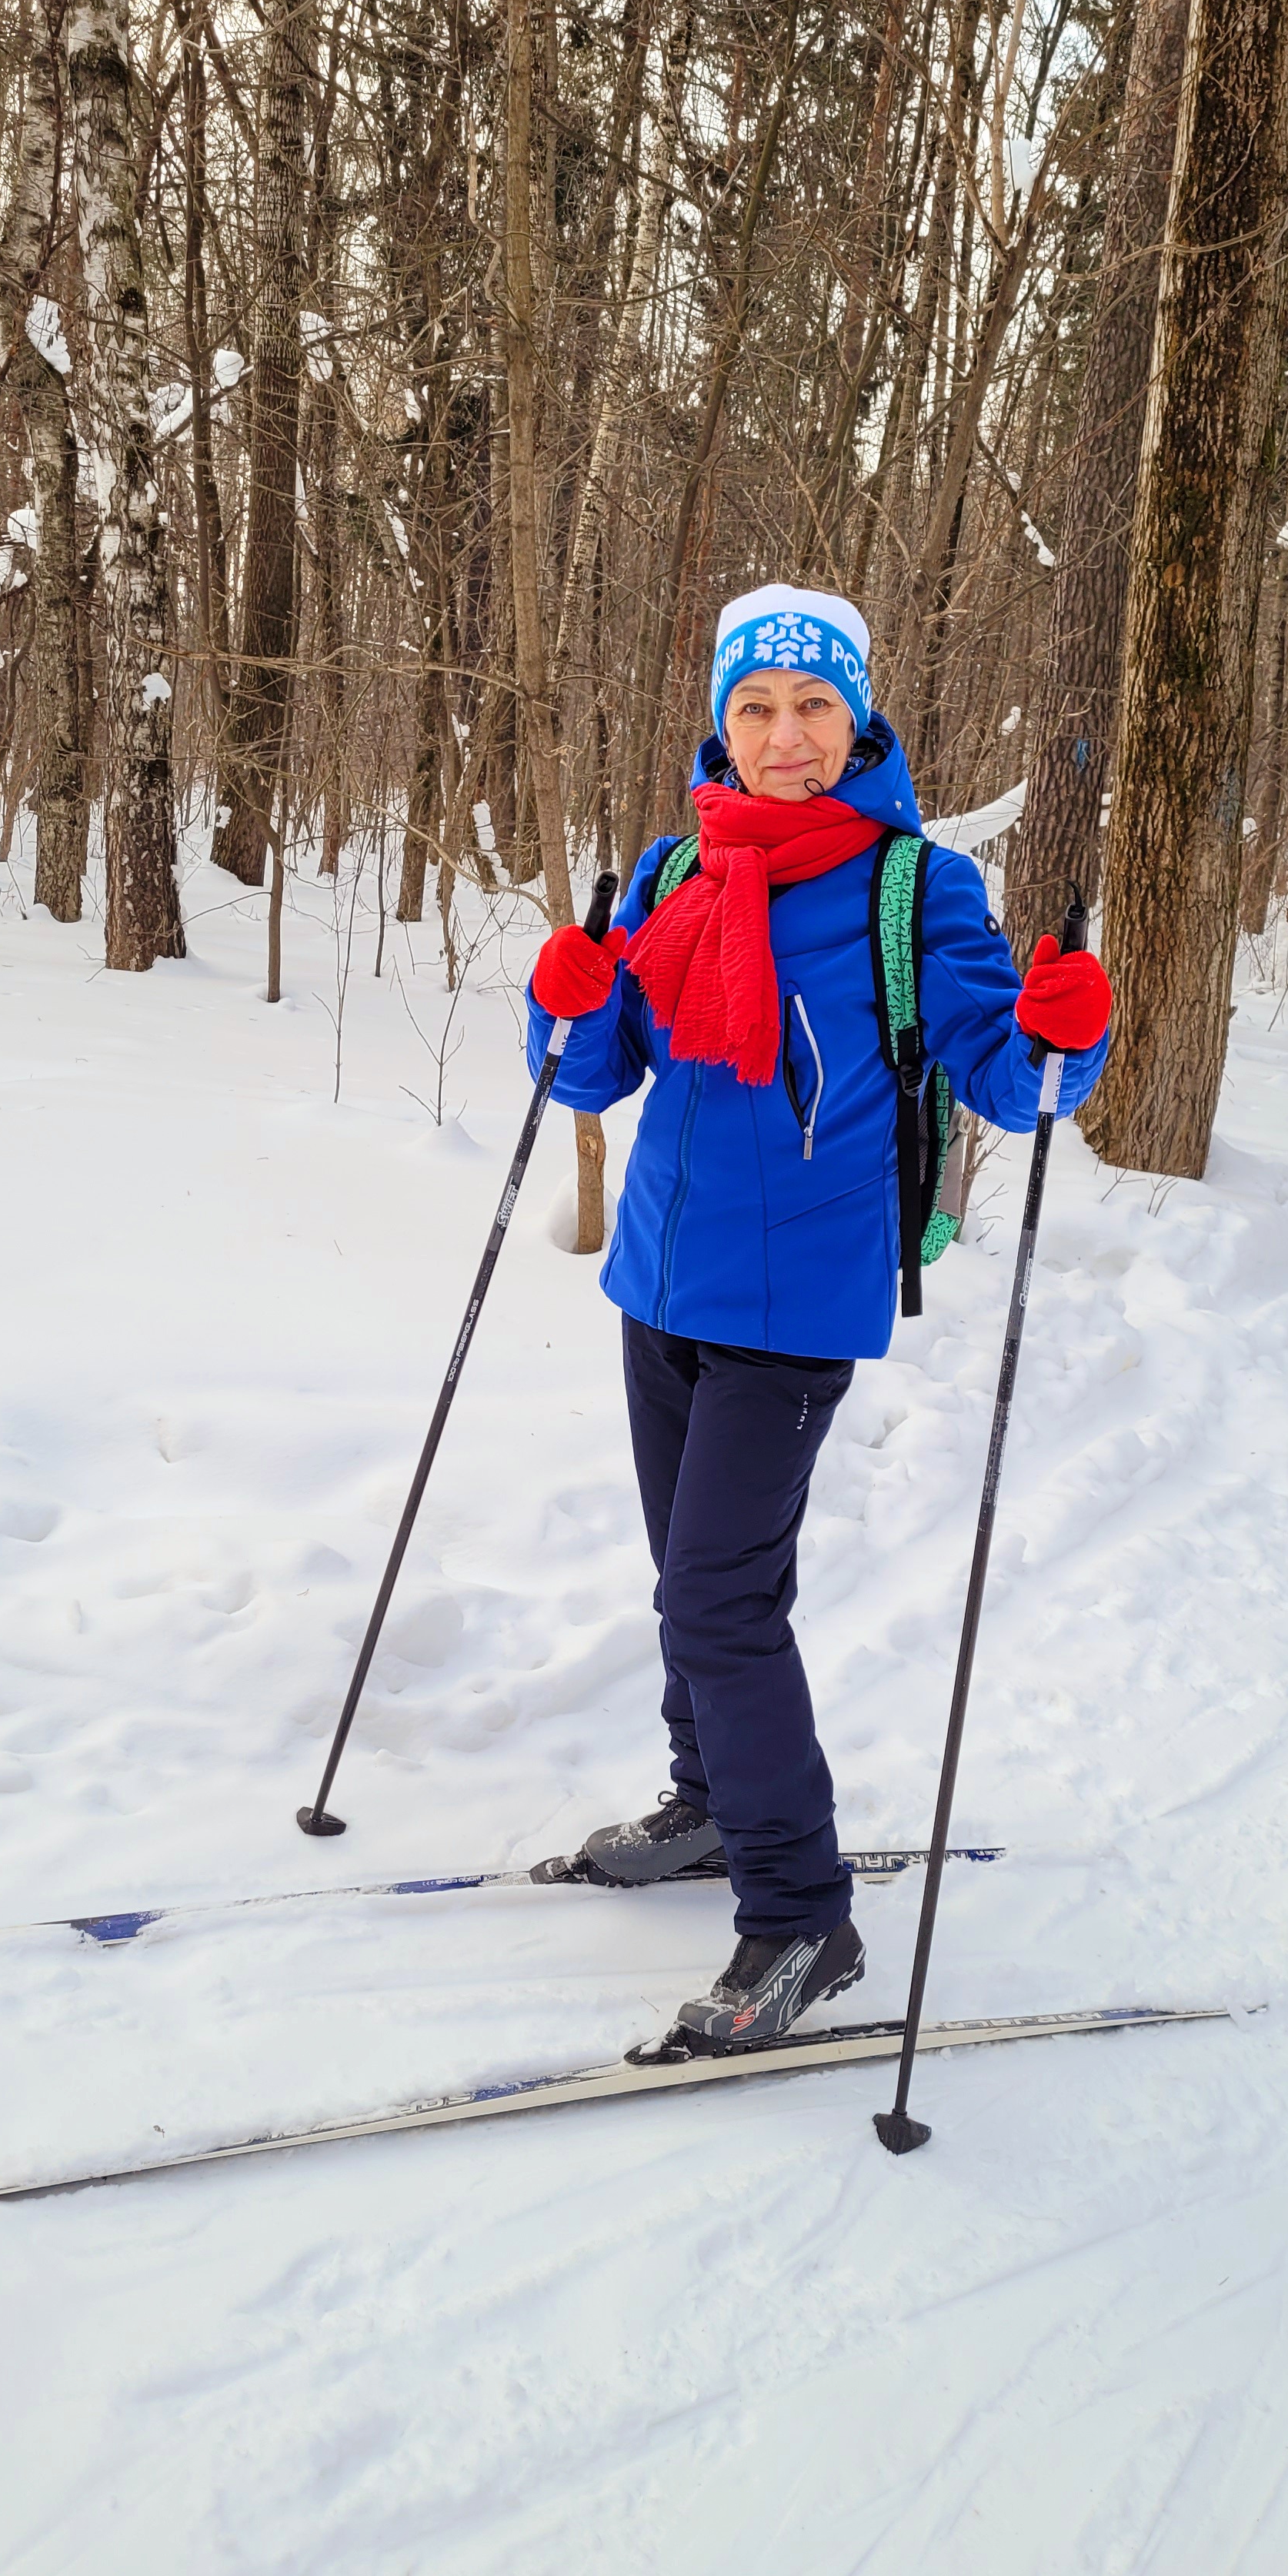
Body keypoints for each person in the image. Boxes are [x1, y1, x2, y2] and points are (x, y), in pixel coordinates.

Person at [525, 585, 1113, 2053]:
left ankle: (802, 1917)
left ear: (858, 723)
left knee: (724, 1602)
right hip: (659, 1276)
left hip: (797, 1300)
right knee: (687, 1575)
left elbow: (1010, 1081)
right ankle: (714, 1803)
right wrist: (571, 1005)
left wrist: (1062, 1030)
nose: (787, 739)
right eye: (757, 709)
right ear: (721, 724)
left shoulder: (919, 890)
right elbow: (593, 1079)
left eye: (814, 710)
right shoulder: (676, 872)